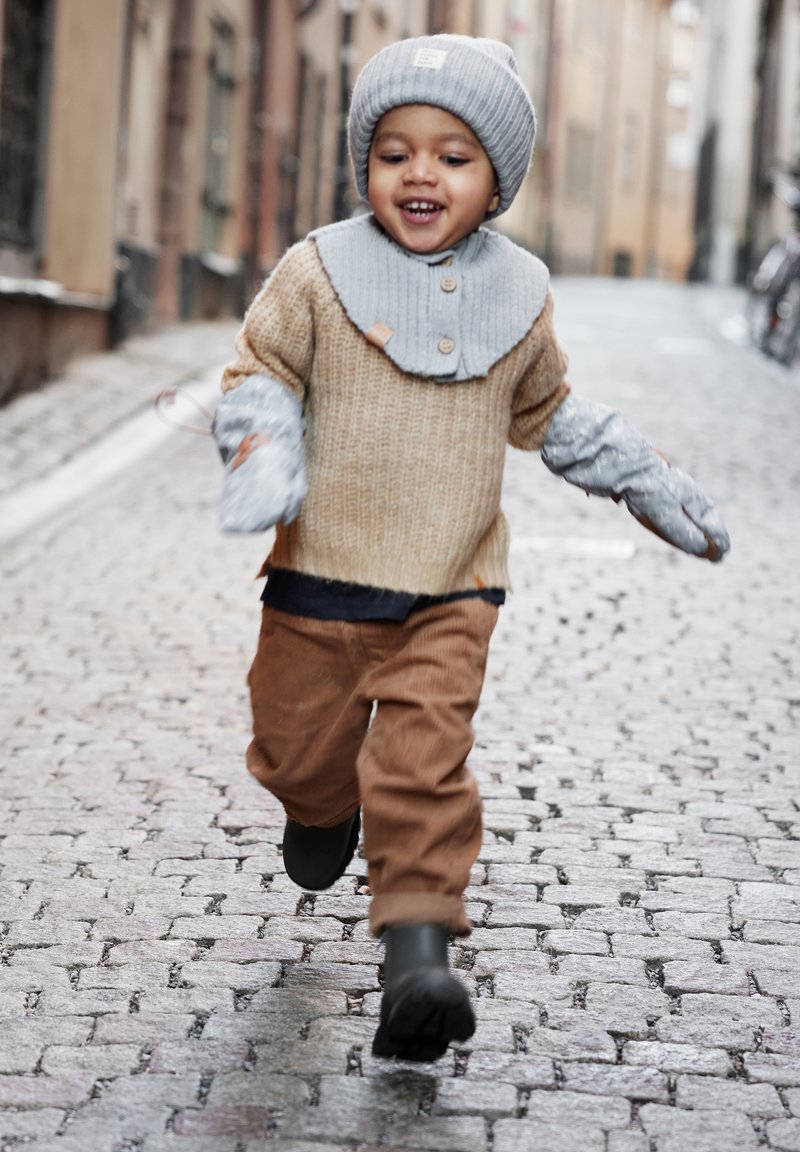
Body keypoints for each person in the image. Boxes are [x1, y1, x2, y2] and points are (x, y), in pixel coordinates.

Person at [212, 34, 730, 1064]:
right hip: (318, 580)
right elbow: (258, 371)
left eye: (452, 157)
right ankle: (320, 807)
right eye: (394, 152)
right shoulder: (315, 273)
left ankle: (417, 962)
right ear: (365, 164)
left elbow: (550, 413)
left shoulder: (518, 295)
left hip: (451, 591)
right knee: (295, 749)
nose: (420, 174)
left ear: (496, 181)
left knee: (423, 769)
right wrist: (262, 447)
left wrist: (641, 474)